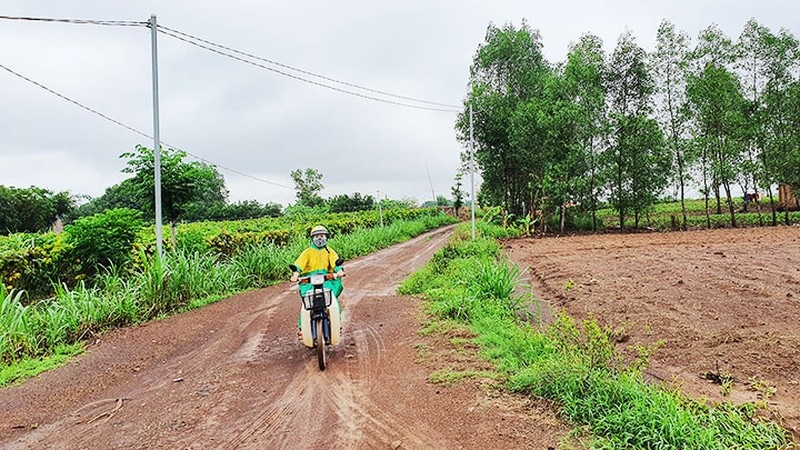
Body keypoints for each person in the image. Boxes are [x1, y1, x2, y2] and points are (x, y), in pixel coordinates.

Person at [289, 225, 344, 339]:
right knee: (306, 305)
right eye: (317, 236)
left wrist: (339, 271)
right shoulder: (307, 252)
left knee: (333, 302)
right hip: (309, 283)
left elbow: (336, 263)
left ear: (326, 237)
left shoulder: (329, 251)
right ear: (312, 238)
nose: (320, 238)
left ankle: (337, 325)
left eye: (322, 236)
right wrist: (295, 274)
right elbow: (299, 264)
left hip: (326, 281)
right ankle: (302, 329)